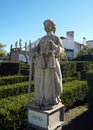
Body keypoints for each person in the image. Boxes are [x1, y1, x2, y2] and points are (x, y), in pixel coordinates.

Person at [30, 19, 64, 109]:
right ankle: (39, 100)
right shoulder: (42, 39)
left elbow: (61, 50)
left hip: (51, 64)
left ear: (53, 26)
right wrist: (32, 52)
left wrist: (54, 46)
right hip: (41, 64)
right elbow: (36, 48)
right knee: (40, 81)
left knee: (49, 82)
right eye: (44, 25)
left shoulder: (56, 38)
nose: (45, 27)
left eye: (48, 24)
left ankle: (50, 100)